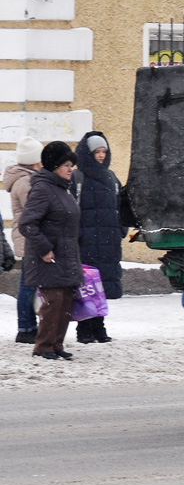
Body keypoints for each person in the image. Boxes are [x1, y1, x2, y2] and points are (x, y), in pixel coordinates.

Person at [19, 141, 84, 360]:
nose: (70, 169)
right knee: (53, 302)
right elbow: (27, 224)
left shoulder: (62, 189)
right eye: (66, 164)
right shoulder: (42, 188)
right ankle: (43, 346)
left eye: (71, 164)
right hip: (49, 258)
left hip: (66, 256)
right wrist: (45, 249)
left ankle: (56, 344)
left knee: (65, 302)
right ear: (54, 166)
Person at [73, 132, 125, 344]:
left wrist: (120, 229)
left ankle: (99, 327)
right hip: (86, 243)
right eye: (97, 152)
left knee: (101, 287)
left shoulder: (111, 178)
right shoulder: (78, 178)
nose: (101, 155)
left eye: (104, 151)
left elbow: (121, 207)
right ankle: (84, 328)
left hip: (108, 242)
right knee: (87, 287)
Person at [3, 136, 43, 343]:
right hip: (29, 239)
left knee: (28, 283)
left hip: (26, 237)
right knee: (28, 285)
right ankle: (26, 328)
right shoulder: (26, 181)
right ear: (35, 160)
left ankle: (28, 326)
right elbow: (37, 211)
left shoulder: (25, 178)